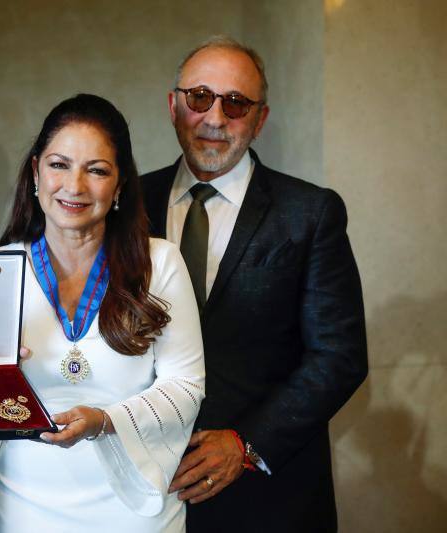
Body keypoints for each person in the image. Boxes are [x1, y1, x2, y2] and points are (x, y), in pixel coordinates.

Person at [141, 36, 368, 532]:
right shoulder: (126, 206)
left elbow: (339, 355)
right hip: (142, 489)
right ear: (173, 105)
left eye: (236, 103)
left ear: (260, 119)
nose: (215, 118)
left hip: (268, 499)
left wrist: (245, 444)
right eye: (199, 97)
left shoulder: (309, 213)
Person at [0, 94, 205, 532]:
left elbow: (186, 386)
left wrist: (105, 421)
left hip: (134, 512)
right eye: (59, 165)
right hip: (22, 508)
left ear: (120, 184)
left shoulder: (159, 263)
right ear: (35, 172)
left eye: (97, 170)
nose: (74, 186)